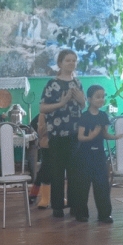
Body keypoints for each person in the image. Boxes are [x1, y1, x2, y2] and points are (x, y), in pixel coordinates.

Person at [39, 49, 85, 218]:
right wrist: (61, 103)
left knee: (74, 172)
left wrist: (81, 100)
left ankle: (74, 205)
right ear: (60, 63)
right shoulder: (52, 84)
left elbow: (83, 106)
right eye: (68, 60)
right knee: (57, 172)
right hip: (57, 135)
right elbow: (42, 108)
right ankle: (57, 207)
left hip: (75, 134)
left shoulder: (78, 83)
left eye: (74, 60)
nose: (71, 63)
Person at [73, 85, 123, 223]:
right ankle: (81, 214)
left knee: (102, 184)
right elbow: (80, 137)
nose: (101, 99)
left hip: (99, 155)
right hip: (84, 156)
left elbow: (104, 134)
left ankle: (104, 214)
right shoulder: (84, 116)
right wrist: (90, 136)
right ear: (89, 99)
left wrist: (115, 137)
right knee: (83, 185)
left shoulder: (103, 116)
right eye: (98, 97)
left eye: (103, 97)